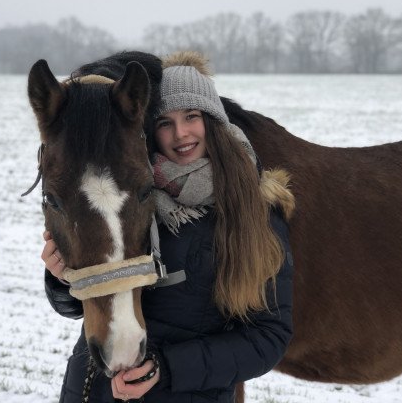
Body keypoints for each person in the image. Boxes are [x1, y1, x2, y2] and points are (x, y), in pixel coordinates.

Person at [41, 51, 294, 402]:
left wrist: (167, 369)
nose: (180, 134)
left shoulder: (254, 210)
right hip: (94, 388)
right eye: (164, 123)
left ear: (213, 120)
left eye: (191, 116)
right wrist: (60, 279)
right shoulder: (132, 191)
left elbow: (267, 337)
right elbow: (91, 296)